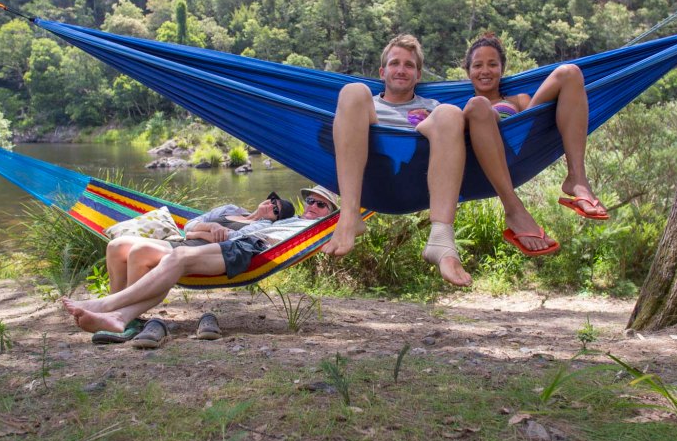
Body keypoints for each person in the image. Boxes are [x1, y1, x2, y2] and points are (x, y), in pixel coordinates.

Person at [62, 186, 339, 339]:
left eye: (321, 204)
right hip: (232, 244)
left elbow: (355, 229)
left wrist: (347, 215)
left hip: (248, 250)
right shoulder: (293, 219)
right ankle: (119, 318)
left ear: (331, 213)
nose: (313, 206)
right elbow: (199, 227)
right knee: (148, 251)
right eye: (311, 201)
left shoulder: (321, 228)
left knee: (177, 256)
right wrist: (202, 231)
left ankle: (107, 306)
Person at [321, 34, 471, 286]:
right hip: (369, 178)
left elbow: (451, 139)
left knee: (451, 112)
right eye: (394, 63)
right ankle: (349, 216)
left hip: (417, 178)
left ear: (418, 75)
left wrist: (427, 119)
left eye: (409, 65)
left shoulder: (432, 106)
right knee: (352, 90)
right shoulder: (364, 104)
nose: (401, 69)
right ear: (382, 71)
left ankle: (442, 238)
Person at [462, 33, 607, 256]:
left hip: (521, 149)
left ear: (502, 69)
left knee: (570, 72)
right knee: (478, 105)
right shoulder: (468, 107)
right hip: (483, 161)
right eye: (477, 65)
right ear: (468, 72)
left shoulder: (518, 99)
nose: (485, 71)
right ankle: (513, 209)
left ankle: (577, 178)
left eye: (493, 64)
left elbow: (533, 125)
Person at [103, 192, 295, 304]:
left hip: (196, 254)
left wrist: (197, 233)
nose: (270, 205)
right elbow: (189, 225)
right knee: (116, 246)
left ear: (276, 219)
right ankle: (115, 302)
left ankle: (126, 314)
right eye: (272, 200)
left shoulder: (262, 227)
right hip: (182, 243)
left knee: (140, 251)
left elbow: (232, 239)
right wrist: (210, 227)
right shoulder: (230, 209)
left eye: (275, 210)